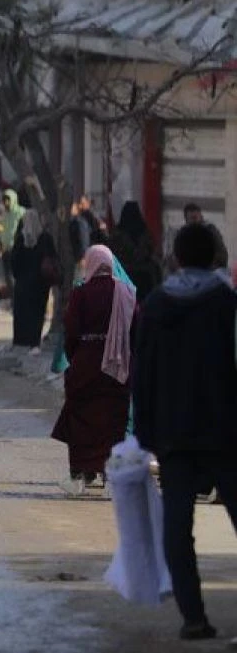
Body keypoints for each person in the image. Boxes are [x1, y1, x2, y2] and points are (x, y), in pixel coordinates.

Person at [132, 223, 237, 642]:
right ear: (214, 257)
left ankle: (193, 617)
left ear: (175, 258)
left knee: (177, 526)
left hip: (173, 433)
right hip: (225, 431)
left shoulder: (157, 305)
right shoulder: (227, 302)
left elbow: (143, 373)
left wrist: (145, 431)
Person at [52, 245, 136, 496]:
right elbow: (137, 328)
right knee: (114, 422)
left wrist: (75, 357)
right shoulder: (126, 292)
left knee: (81, 420)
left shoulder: (81, 293)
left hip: (86, 364)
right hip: (118, 368)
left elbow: (71, 330)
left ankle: (80, 475)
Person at [10, 209, 57, 352]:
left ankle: (20, 341)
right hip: (40, 285)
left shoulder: (20, 239)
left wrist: (18, 276)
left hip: (22, 285)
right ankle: (34, 341)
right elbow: (52, 258)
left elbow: (14, 262)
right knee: (37, 314)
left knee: (22, 314)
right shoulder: (45, 238)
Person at [108, 201, 161, 304]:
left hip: (122, 277)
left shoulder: (117, 234)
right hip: (145, 278)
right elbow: (151, 250)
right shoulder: (146, 233)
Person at [175, 202, 229, 271]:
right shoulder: (183, 234)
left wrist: (212, 267)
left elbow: (222, 254)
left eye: (196, 218)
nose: (195, 221)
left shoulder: (210, 231)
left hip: (209, 271)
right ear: (186, 220)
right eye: (192, 218)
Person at [0, 189, 26, 297]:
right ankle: (13, 297)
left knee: (17, 275)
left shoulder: (21, 212)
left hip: (17, 248)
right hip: (5, 249)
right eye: (4, 200)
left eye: (8, 200)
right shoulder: (4, 214)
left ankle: (19, 296)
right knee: (8, 276)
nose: (6, 202)